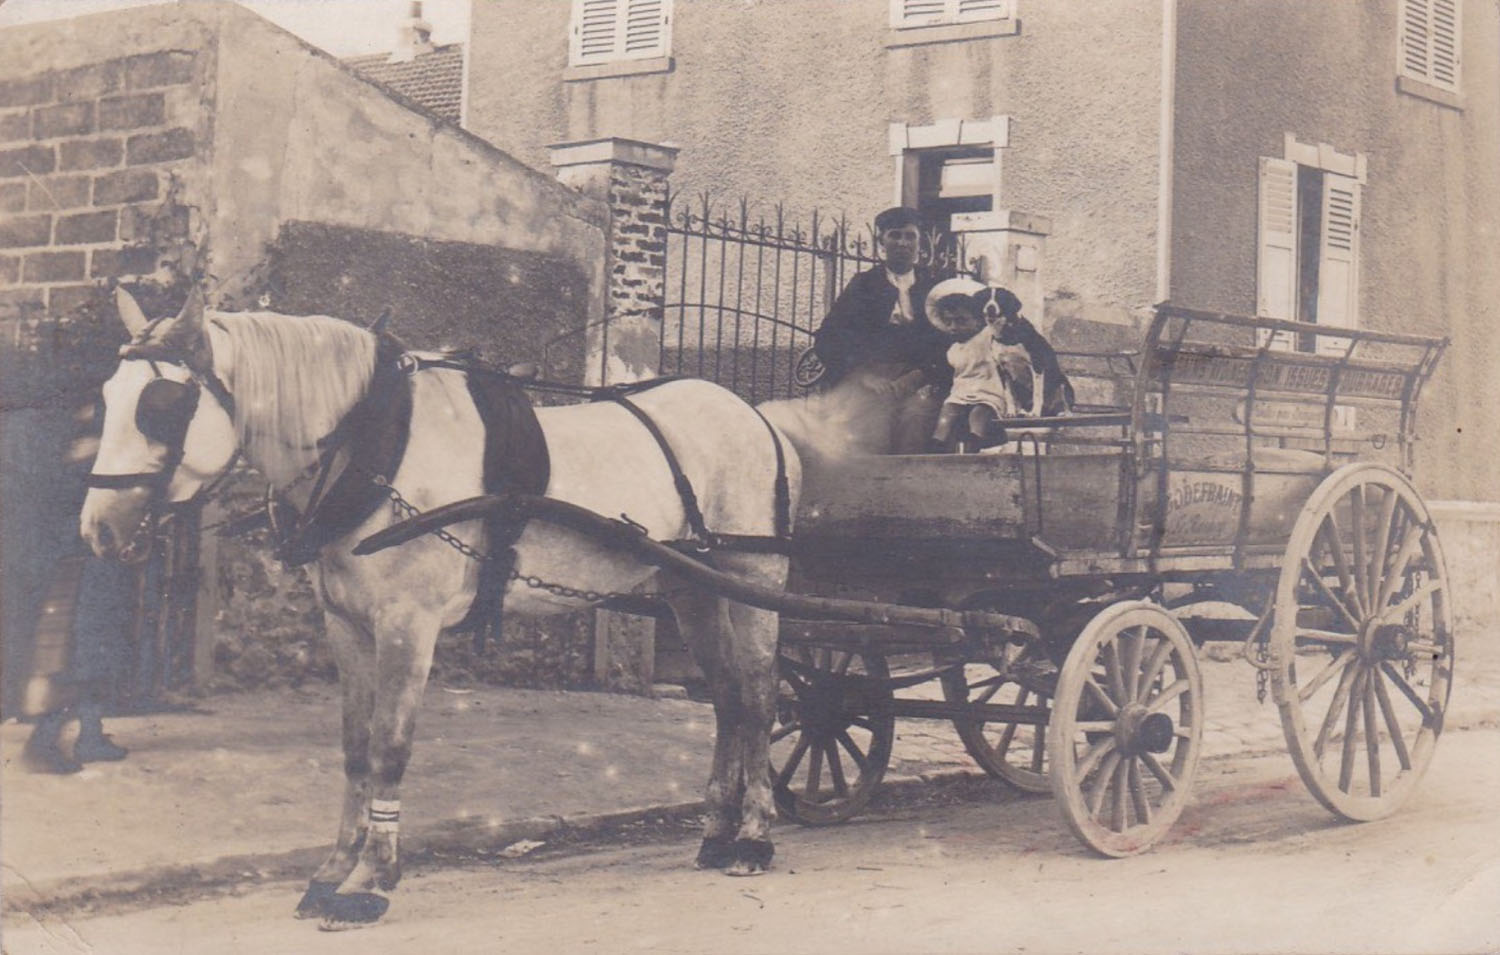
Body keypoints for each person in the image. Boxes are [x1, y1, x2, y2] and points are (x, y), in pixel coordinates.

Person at [809, 206, 953, 451]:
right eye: (895, 235)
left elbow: (948, 339)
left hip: (919, 378)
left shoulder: (933, 286)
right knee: (867, 421)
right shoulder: (864, 285)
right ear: (882, 242)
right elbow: (829, 336)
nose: (903, 243)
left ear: (920, 243)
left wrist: (919, 375)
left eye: (910, 236)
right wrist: (863, 375)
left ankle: (907, 483)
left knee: (916, 417)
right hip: (869, 377)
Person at [22, 552, 136, 774]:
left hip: (81, 567)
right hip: (82, 566)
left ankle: (89, 738)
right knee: (82, 664)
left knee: (90, 664)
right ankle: (43, 745)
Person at [924, 277, 1017, 453]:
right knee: (948, 410)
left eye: (961, 321)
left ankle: (974, 444)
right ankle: (938, 443)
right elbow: (954, 373)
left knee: (978, 412)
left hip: (988, 390)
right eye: (948, 321)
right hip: (962, 391)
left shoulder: (988, 336)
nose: (953, 327)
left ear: (979, 319)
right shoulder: (954, 349)